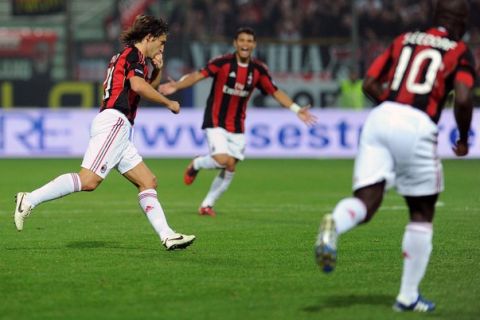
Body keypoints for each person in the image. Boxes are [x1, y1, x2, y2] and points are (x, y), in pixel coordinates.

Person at [314, 0, 475, 313]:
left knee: (366, 200)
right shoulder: (459, 51)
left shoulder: (404, 39)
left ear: (434, 17)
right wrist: (464, 138)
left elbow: (370, 83)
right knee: (421, 212)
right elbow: (465, 96)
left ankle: (335, 222)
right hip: (417, 123)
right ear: (460, 23)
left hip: (381, 117)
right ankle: (407, 296)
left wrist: (395, 105)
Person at [13, 15, 195, 251]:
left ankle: (168, 235)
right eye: (161, 42)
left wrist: (157, 68)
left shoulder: (129, 56)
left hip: (119, 126)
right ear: (149, 38)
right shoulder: (134, 56)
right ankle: (29, 199)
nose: (162, 47)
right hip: (115, 121)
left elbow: (145, 87)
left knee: (147, 181)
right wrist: (169, 103)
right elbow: (140, 87)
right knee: (89, 181)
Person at [159, 27, 317, 217]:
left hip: (237, 125)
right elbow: (198, 75)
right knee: (222, 160)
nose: (245, 44)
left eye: (249, 41)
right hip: (215, 120)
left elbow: (275, 91)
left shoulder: (258, 70)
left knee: (231, 166)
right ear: (235, 43)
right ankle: (197, 163)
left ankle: (207, 205)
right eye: (242, 40)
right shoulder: (223, 62)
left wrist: (296, 109)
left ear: (254, 45)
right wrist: (176, 85)